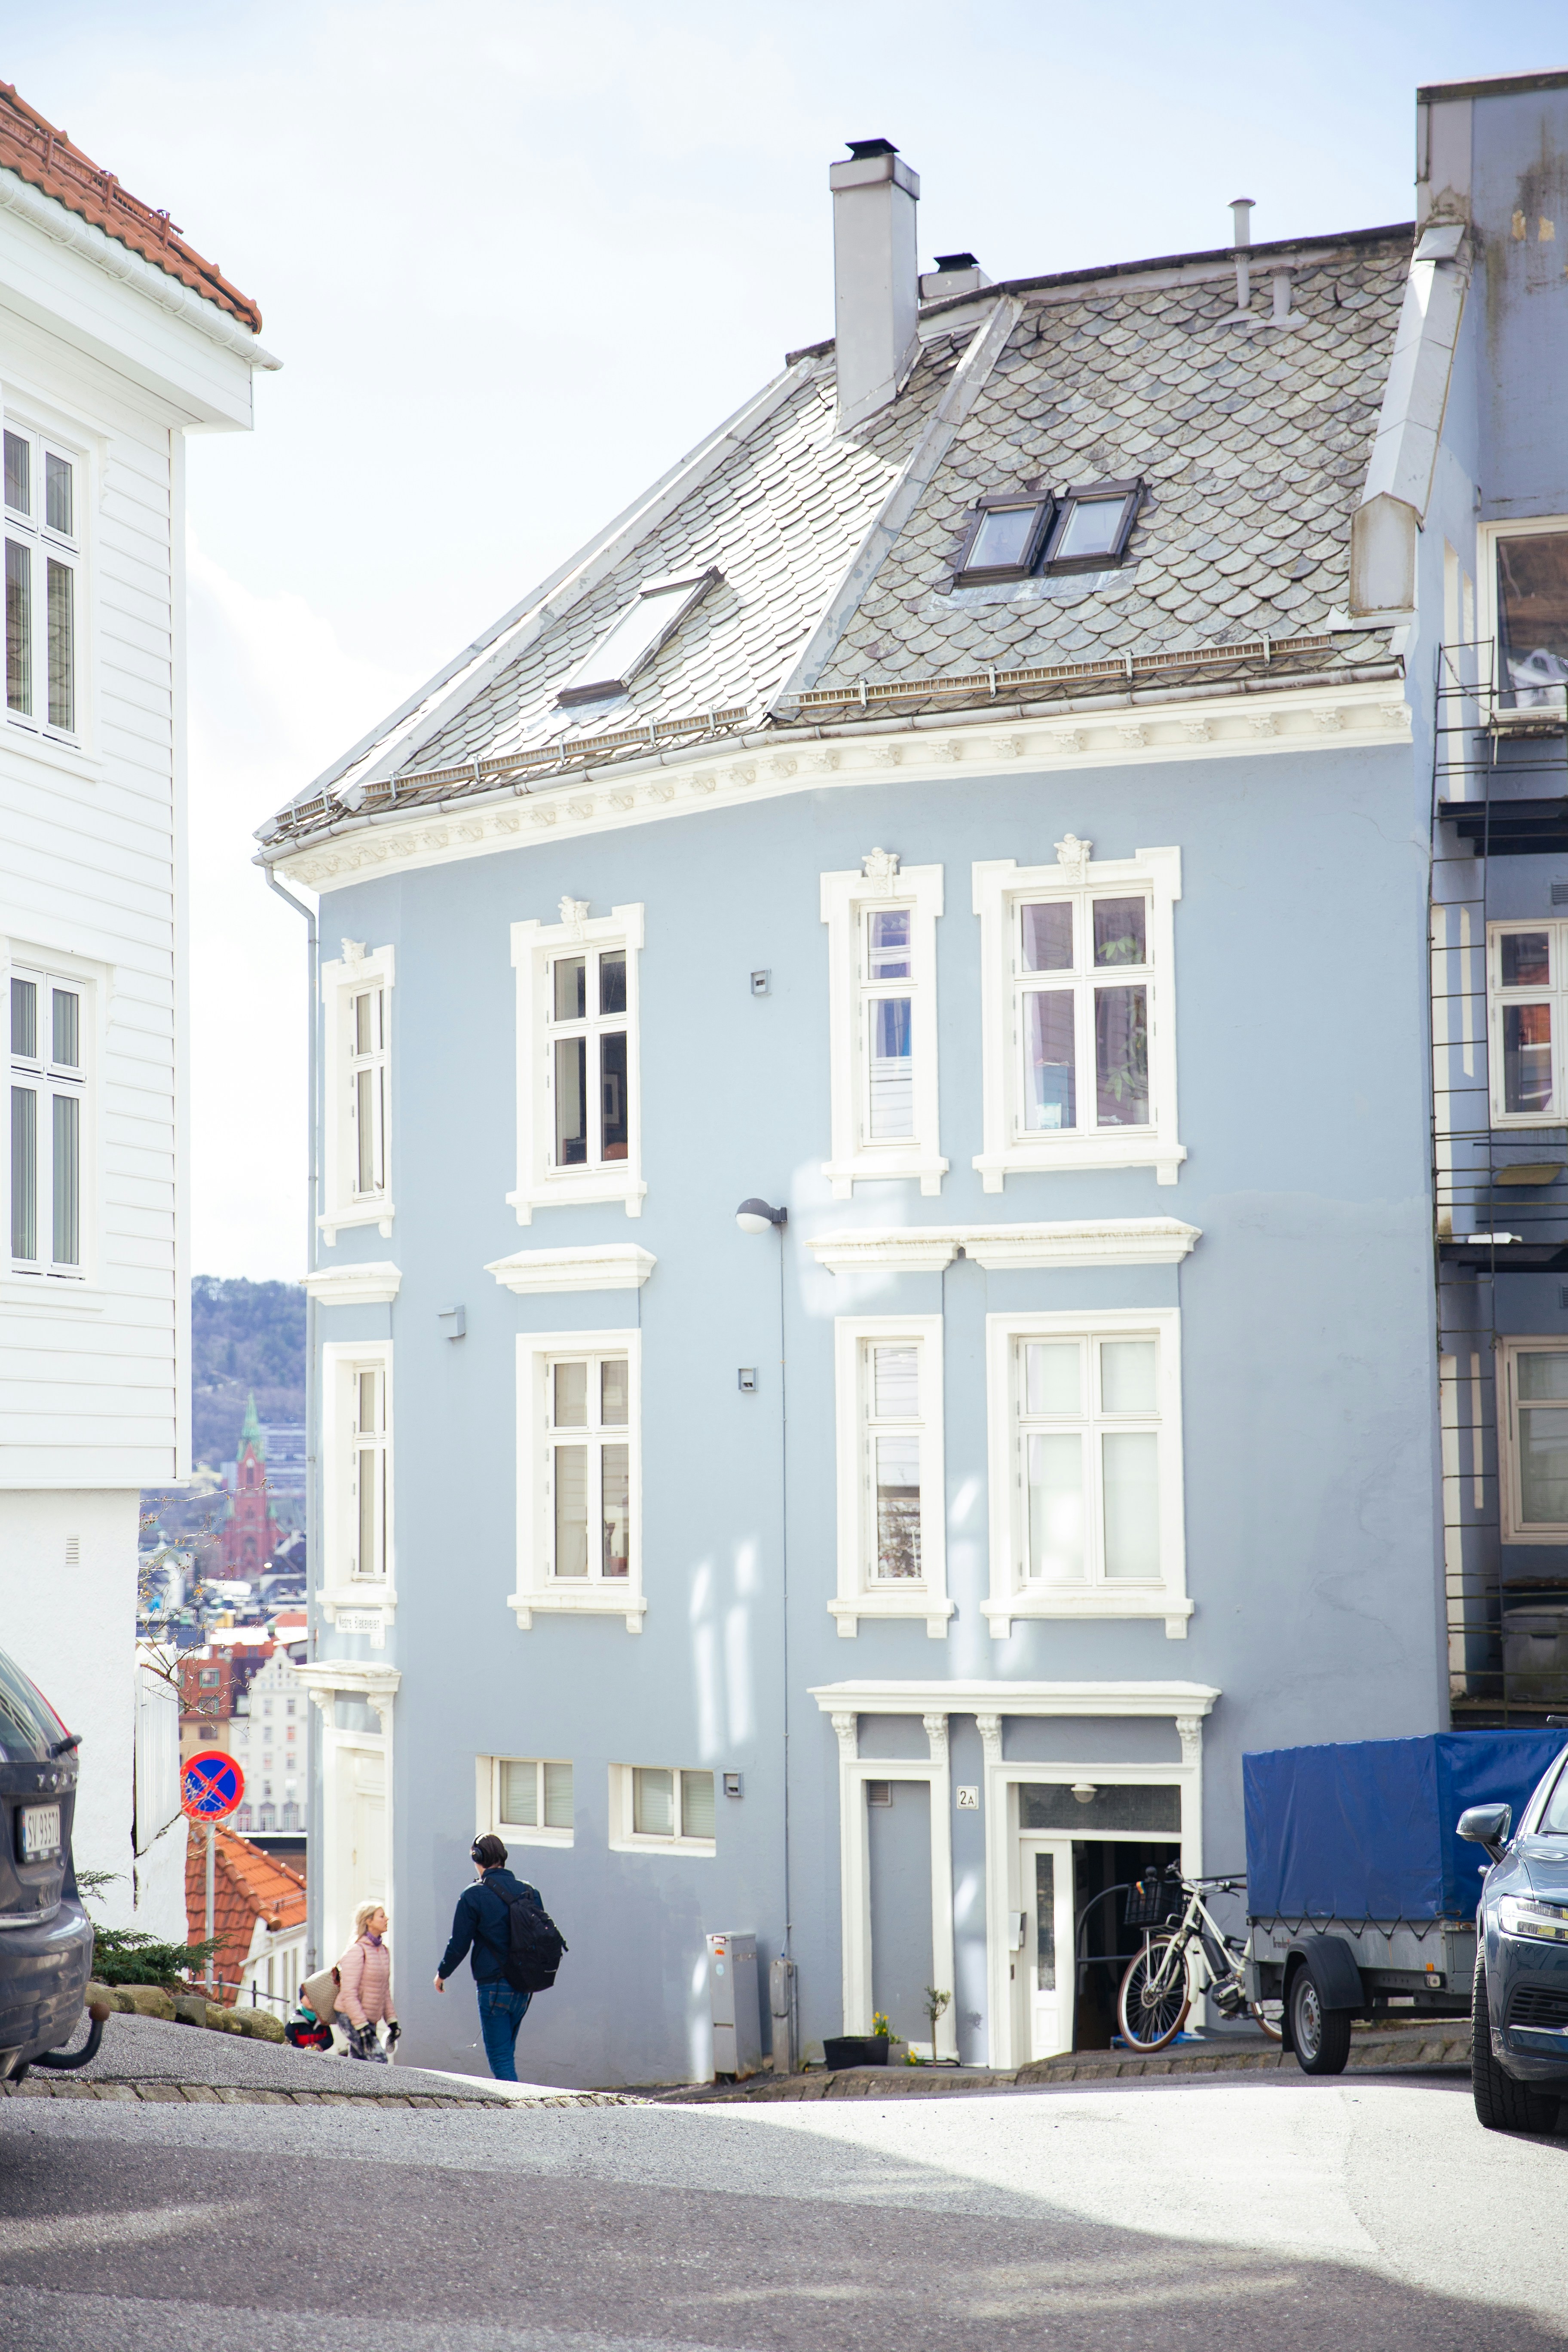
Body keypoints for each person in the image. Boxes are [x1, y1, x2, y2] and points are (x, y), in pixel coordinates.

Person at [434, 1834, 539, 2082]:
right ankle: (516, 2100)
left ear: (477, 1858)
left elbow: (459, 1944)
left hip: (493, 1986)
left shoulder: (473, 1895)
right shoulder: (529, 1892)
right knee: (507, 2053)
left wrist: (442, 1974)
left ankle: (516, 2104)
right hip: (523, 1987)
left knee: (500, 2059)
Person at [336, 1901, 400, 2062]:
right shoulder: (357, 1951)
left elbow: (384, 1991)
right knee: (379, 2060)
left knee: (359, 2064)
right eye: (382, 1916)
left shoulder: (383, 1951)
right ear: (369, 1921)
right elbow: (348, 1994)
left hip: (368, 2018)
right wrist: (362, 2027)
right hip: (351, 2017)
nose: (387, 1919)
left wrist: (392, 2021)